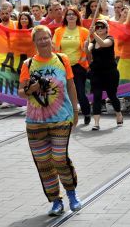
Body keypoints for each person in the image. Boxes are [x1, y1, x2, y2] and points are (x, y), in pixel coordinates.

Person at [18, 25, 82, 216]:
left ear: (51, 40)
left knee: (59, 158)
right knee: (44, 162)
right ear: (34, 42)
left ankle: (71, 193)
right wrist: (33, 88)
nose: (44, 41)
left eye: (46, 38)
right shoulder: (28, 65)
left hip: (61, 118)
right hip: (35, 121)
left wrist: (76, 110)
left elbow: (71, 85)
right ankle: (55, 201)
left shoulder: (62, 60)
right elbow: (21, 92)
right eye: (40, 39)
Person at [52, 6, 91, 124]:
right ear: (65, 17)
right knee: (64, 93)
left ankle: (86, 113)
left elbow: (89, 48)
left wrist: (87, 47)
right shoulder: (59, 31)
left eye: (73, 14)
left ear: (77, 17)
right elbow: (54, 47)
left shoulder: (84, 31)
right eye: (68, 14)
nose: (71, 16)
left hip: (79, 66)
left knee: (80, 92)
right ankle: (68, 116)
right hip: (63, 67)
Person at [85, 19, 123, 130]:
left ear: (106, 29)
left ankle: (118, 114)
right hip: (96, 72)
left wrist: (93, 34)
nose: (99, 29)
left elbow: (103, 44)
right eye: (97, 27)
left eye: (102, 27)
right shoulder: (93, 42)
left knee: (112, 95)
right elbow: (87, 52)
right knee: (97, 96)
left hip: (110, 73)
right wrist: (86, 47)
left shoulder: (109, 39)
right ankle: (96, 123)